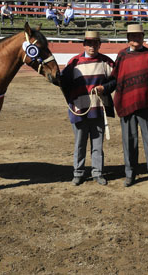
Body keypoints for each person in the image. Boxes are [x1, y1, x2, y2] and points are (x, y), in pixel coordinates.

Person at [111, 23, 148, 189]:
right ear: (128, 39)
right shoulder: (121, 56)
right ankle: (130, 174)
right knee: (129, 141)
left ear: (143, 38)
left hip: (147, 105)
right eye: (132, 36)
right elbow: (116, 79)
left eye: (138, 36)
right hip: (127, 104)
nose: (135, 39)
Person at [60, 31, 116, 186]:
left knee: (98, 144)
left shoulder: (107, 62)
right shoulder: (74, 62)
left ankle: (97, 172)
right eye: (89, 43)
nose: (92, 46)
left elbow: (116, 80)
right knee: (80, 143)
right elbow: (63, 84)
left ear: (99, 44)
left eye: (95, 43)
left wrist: (104, 88)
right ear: (84, 45)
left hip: (98, 109)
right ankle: (78, 172)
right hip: (79, 110)